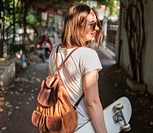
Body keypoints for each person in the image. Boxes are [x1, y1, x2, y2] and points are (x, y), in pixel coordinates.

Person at [48, 4, 107, 133]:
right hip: (82, 126)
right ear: (78, 26)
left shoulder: (55, 52)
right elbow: (92, 102)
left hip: (60, 125)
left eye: (97, 24)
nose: (96, 28)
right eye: (91, 24)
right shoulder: (88, 55)